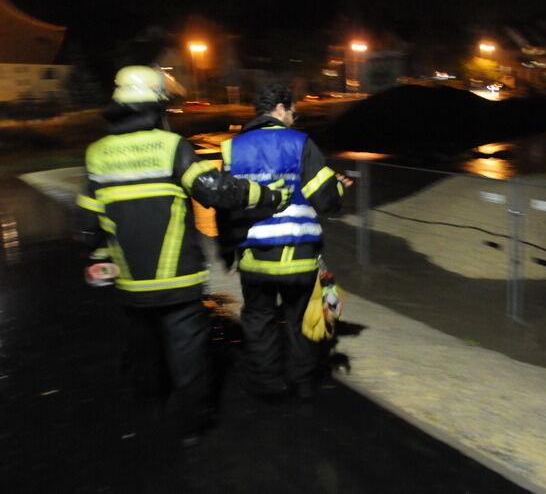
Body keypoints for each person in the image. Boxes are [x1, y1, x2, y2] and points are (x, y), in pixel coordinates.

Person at [76, 66, 291, 443]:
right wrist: (268, 195)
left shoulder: (96, 154)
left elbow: (87, 221)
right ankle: (190, 427)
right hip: (179, 281)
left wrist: (97, 257)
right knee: (188, 355)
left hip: (130, 283)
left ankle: (149, 413)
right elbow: (217, 191)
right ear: (158, 107)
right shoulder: (171, 147)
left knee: (143, 351)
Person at [216, 84, 351, 400]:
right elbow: (326, 200)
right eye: (293, 112)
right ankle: (302, 385)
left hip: (253, 258)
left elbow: (224, 205)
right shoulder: (300, 143)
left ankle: (267, 385)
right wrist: (340, 188)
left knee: (259, 321)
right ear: (279, 108)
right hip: (298, 256)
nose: (294, 118)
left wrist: (227, 253)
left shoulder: (230, 149)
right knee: (300, 321)